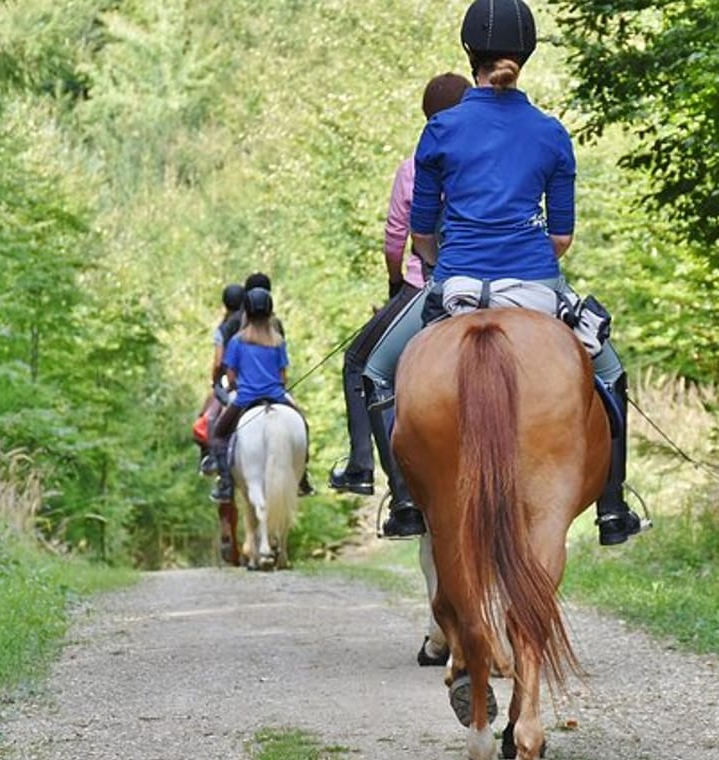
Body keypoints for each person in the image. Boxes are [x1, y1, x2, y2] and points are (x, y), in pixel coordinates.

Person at [362, 0, 645, 545]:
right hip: (536, 285)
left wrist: (447, 264)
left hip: (458, 284)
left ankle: (404, 502)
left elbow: (422, 231)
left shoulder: (441, 128)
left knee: (376, 372)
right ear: (526, 56)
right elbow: (561, 238)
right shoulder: (551, 132)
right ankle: (613, 509)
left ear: (470, 52)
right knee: (610, 377)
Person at [329, 73, 472, 538]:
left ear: (428, 117)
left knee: (362, 365)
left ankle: (380, 480)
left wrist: (397, 281)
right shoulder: (486, 158)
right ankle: (610, 499)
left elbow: (399, 239)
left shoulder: (416, 166)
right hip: (506, 279)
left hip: (430, 284)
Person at [209, 287, 308, 502]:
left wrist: (241, 386)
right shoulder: (278, 341)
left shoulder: (236, 341)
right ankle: (303, 478)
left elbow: (231, 376)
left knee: (217, 435)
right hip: (277, 396)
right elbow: (283, 377)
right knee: (303, 425)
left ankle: (225, 484)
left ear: (247, 312)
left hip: (245, 398)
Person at [195, 283, 246, 475]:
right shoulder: (256, 324)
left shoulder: (224, 329)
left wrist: (216, 382)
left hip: (231, 379)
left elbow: (218, 363)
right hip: (265, 380)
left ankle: (211, 458)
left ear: (225, 304)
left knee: (208, 419)